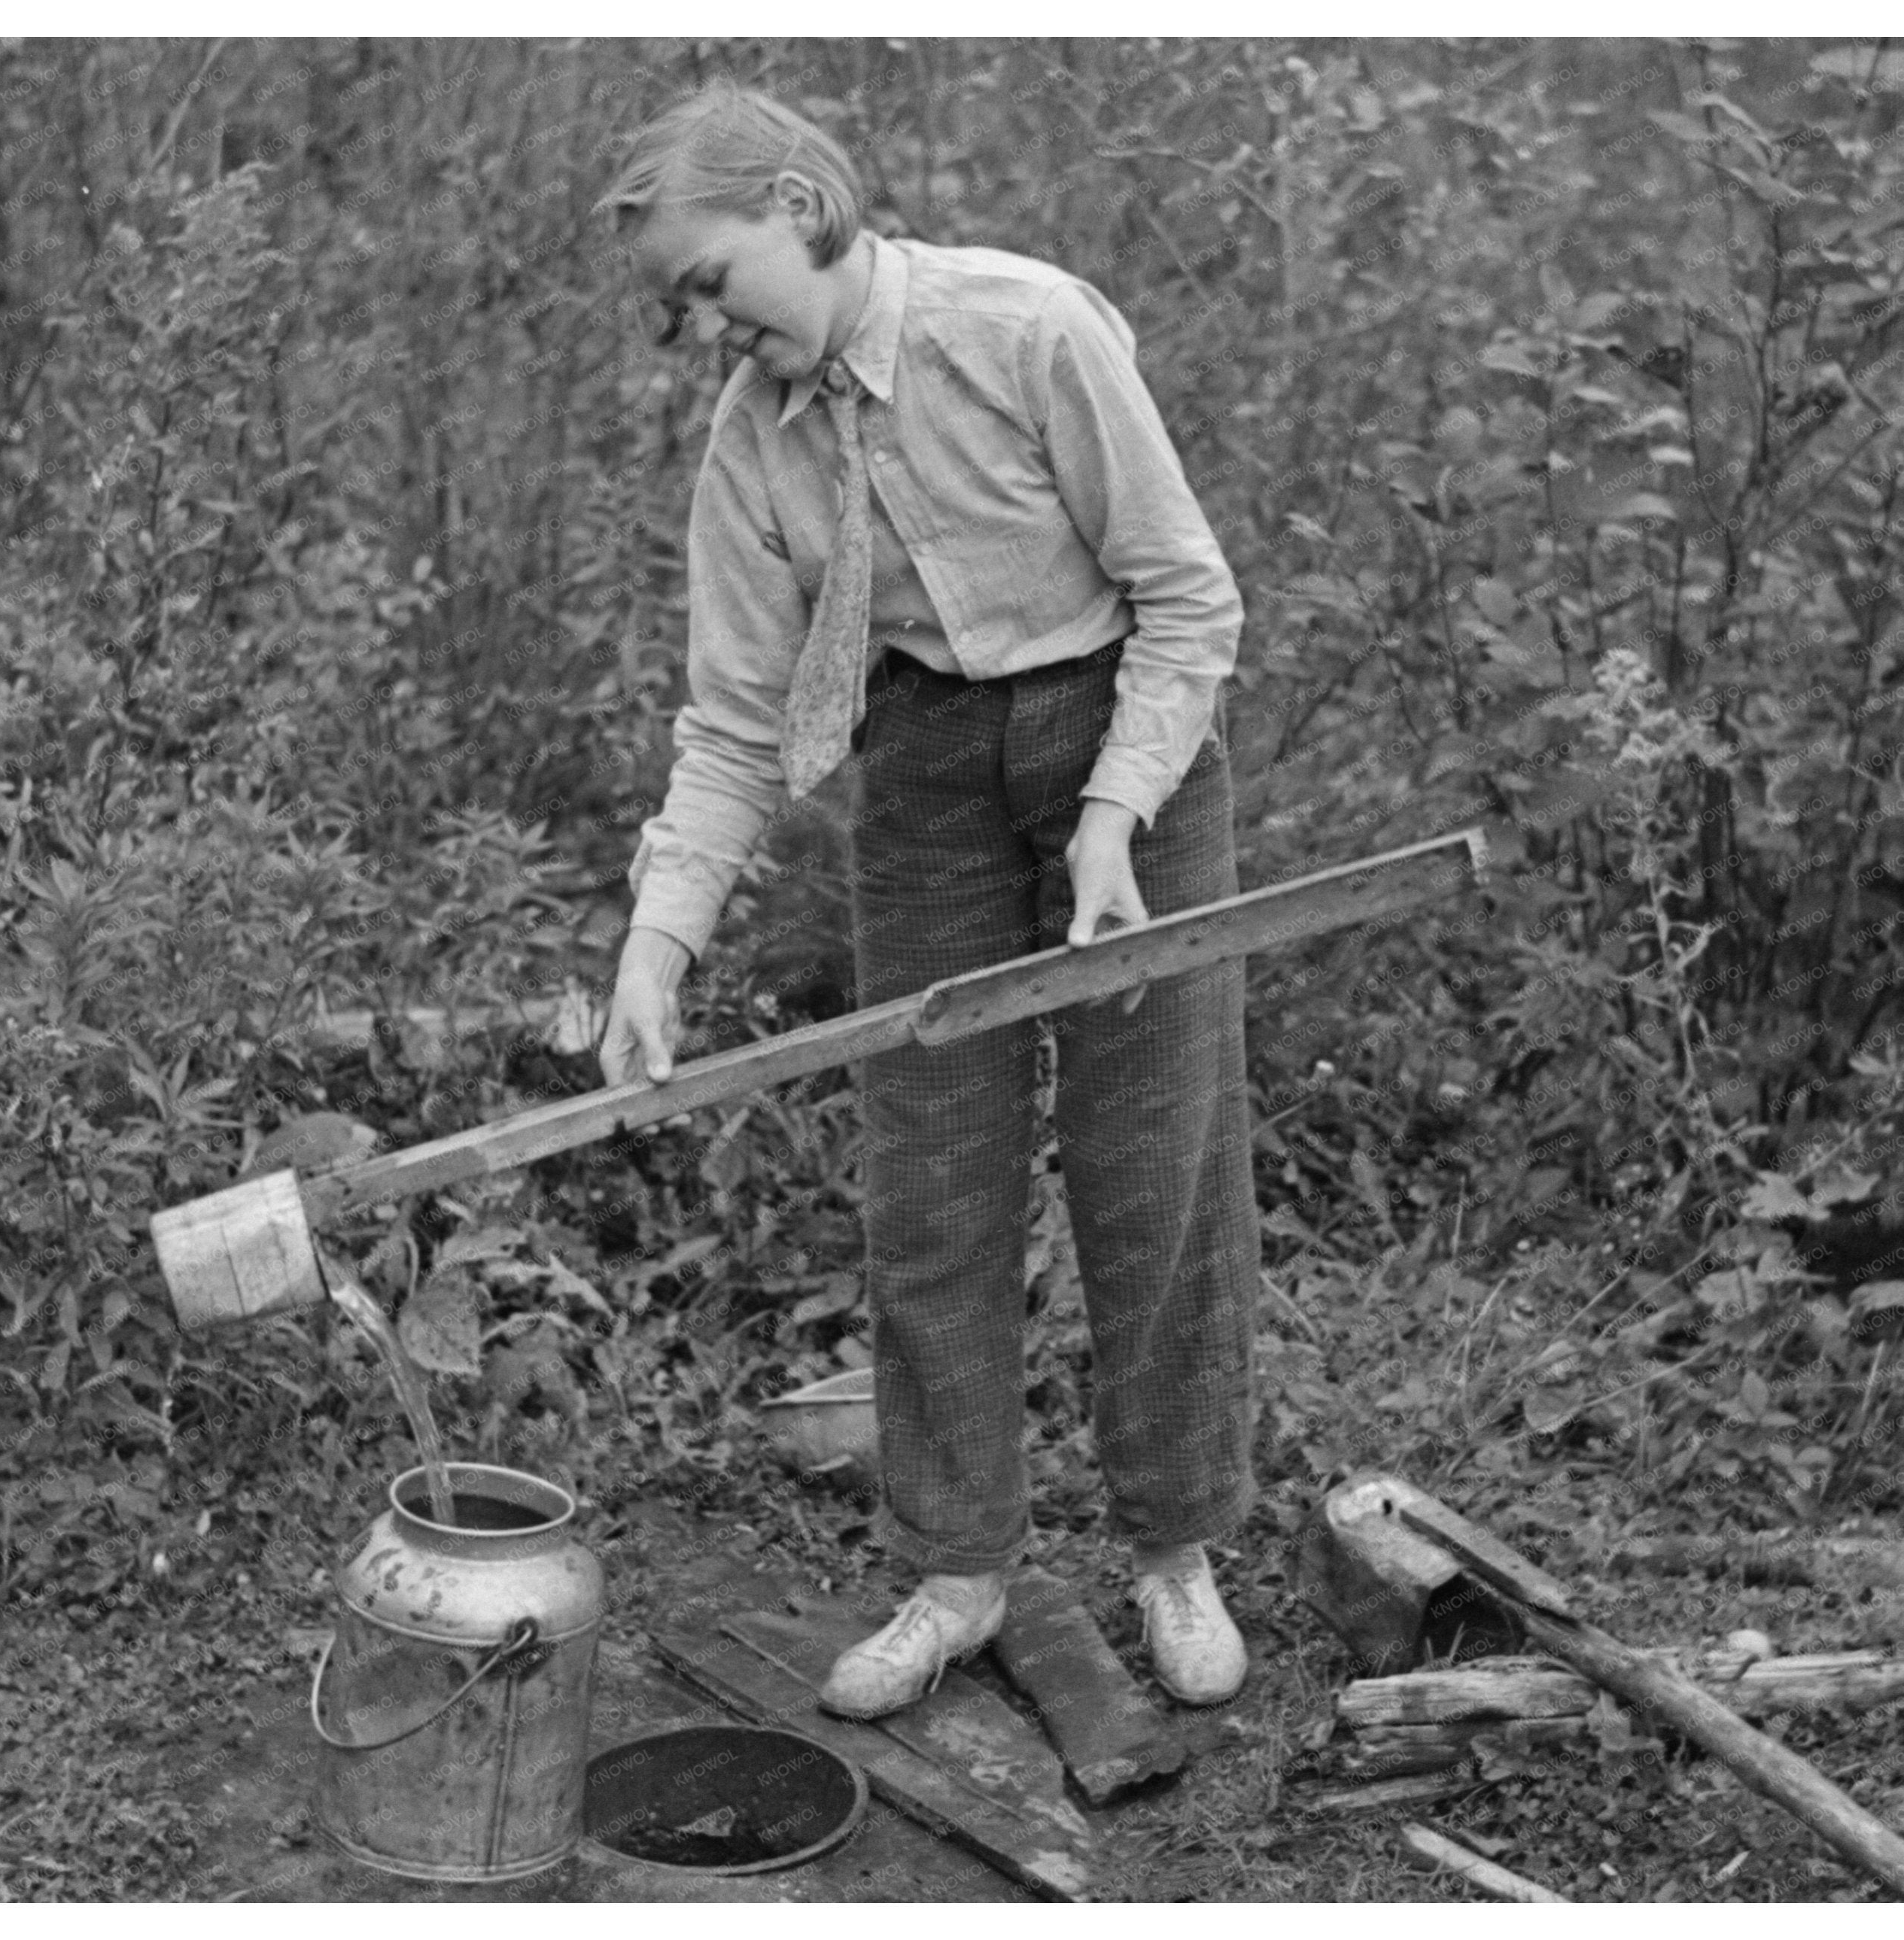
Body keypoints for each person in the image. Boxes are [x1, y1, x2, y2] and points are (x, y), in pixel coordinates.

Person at [593, 81, 1264, 1721]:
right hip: (928, 767)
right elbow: (733, 725)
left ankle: (1174, 1546)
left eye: (709, 281)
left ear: (802, 210)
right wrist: (653, 948)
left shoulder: (1023, 329)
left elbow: (1188, 595)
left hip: (1128, 730)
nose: (702, 328)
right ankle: (956, 1568)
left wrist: (1114, 813)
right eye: (678, 306)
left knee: (1149, 1154)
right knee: (934, 1171)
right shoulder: (750, 447)